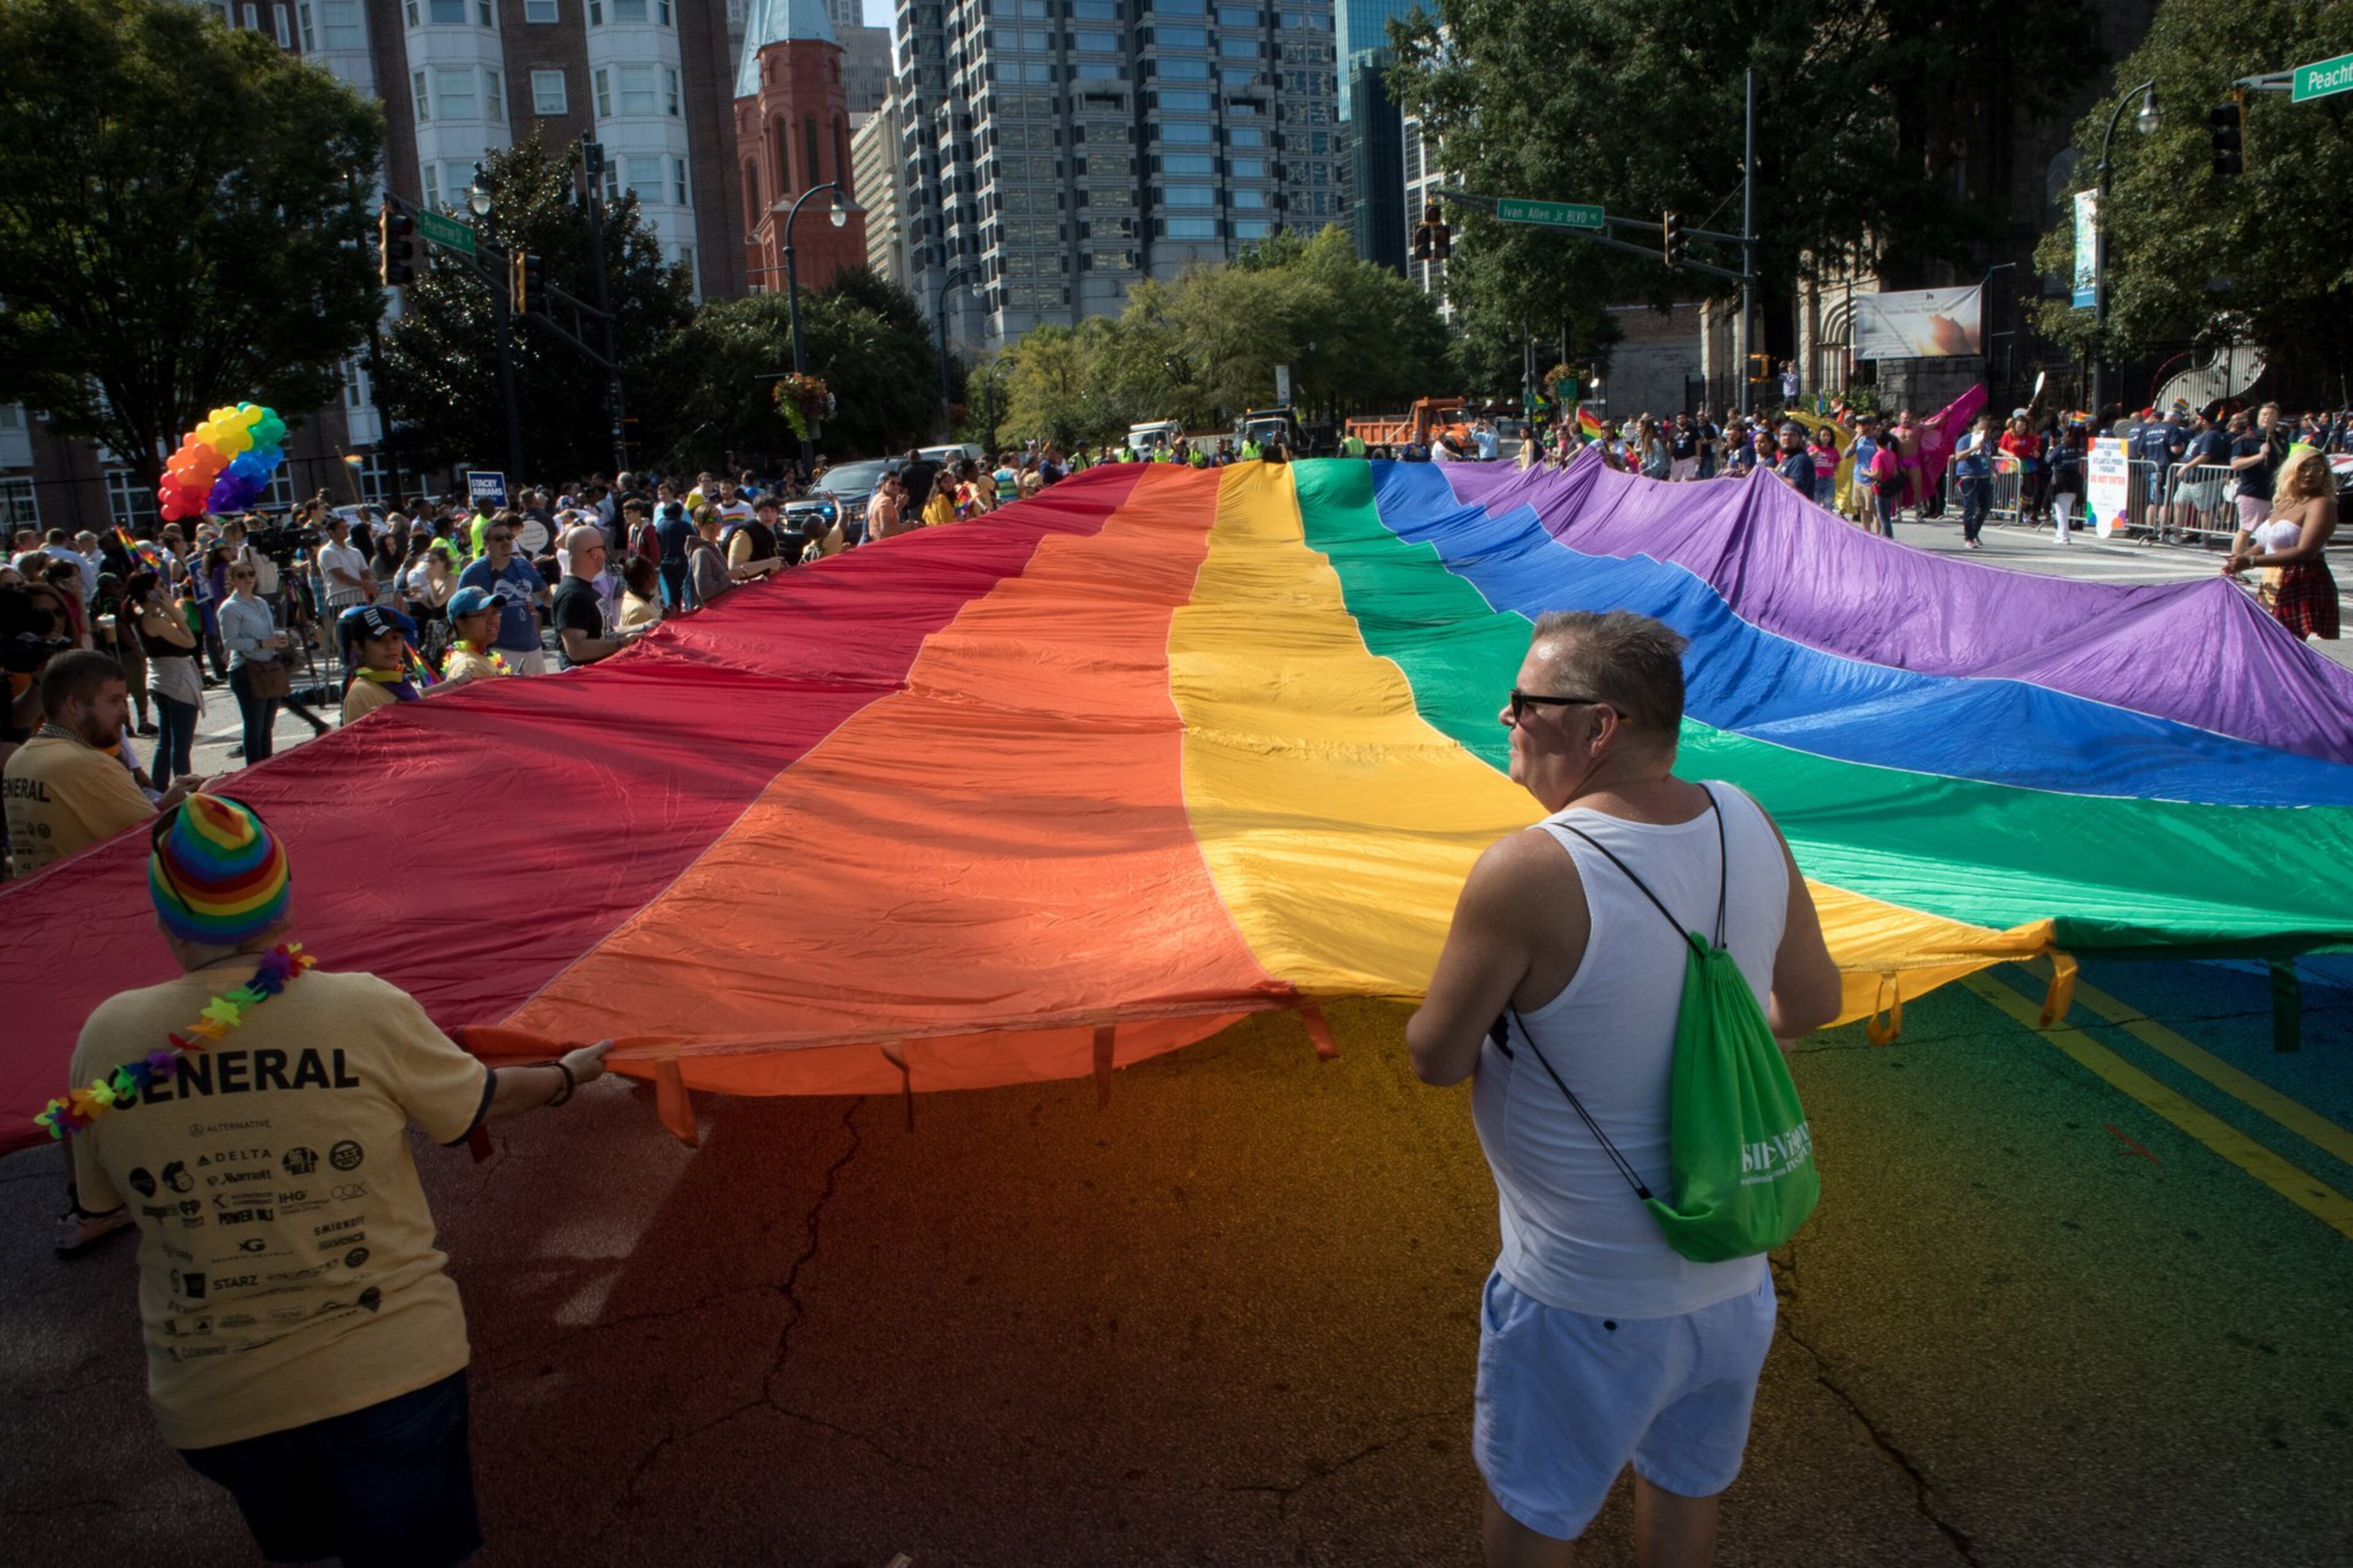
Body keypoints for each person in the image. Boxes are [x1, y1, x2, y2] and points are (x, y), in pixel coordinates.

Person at [55, 790, 610, 1566]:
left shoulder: (107, 1034)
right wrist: (566, 1076)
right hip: (390, 1372)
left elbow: (100, 1199)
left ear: (163, 916)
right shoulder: (361, 1009)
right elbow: (480, 1099)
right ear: (283, 904)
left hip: (217, 1399)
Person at [1404, 610, 1840, 1568]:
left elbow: (1436, 1057)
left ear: (1598, 726)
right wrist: (1685, 1050)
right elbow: (1812, 998)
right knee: (1685, 1493)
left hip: (1582, 1296)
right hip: (1732, 1278)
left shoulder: (1529, 869)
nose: (1504, 714)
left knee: (1536, 1514)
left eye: (1526, 702)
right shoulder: (1745, 816)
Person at [4, 646, 203, 874]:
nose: (125, 712)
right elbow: (156, 839)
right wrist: (202, 802)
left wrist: (164, 803)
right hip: (87, 898)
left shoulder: (19, 758)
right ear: (74, 705)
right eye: (114, 701)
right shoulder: (86, 763)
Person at [2226, 447, 2339, 640]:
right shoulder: (2285, 502)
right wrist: (2240, 559)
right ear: (2291, 470)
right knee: (2269, 643)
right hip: (2272, 579)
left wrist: (2251, 561)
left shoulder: (2322, 504)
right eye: (2303, 468)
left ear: (2325, 475)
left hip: (2303, 580)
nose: (2309, 474)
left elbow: (2306, 552)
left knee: (2290, 649)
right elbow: (2264, 544)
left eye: (2317, 469)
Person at [125, 569, 204, 781]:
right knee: (180, 745)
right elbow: (190, 641)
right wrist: (172, 610)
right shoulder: (151, 620)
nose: (164, 588)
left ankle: (158, 790)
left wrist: (170, 610)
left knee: (167, 742)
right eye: (160, 586)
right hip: (175, 684)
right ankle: (184, 788)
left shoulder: (147, 617)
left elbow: (180, 623)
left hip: (163, 682)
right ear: (150, 593)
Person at [219, 556, 294, 763]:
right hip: (247, 669)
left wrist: (280, 637)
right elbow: (231, 642)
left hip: (269, 666)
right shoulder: (230, 608)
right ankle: (254, 769)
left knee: (267, 727)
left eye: (251, 574)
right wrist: (262, 643)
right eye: (241, 575)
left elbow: (270, 631)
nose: (248, 579)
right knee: (255, 726)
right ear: (232, 579)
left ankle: (267, 765)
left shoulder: (260, 602)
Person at [455, 515, 548, 675]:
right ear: (486, 544)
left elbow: (546, 597)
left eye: (509, 537)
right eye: (498, 539)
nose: (506, 542)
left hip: (534, 650)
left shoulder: (524, 565)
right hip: (499, 652)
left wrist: (560, 589)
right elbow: (460, 615)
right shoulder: (474, 573)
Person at [552, 525, 645, 667]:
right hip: (586, 679)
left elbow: (604, 631)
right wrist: (621, 644)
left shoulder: (586, 588)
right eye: (603, 548)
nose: (605, 553)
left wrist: (644, 628)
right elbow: (576, 649)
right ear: (594, 553)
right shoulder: (573, 595)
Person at [338, 604, 423, 722]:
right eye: (379, 640)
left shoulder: (396, 680)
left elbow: (420, 697)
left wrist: (455, 683)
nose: (391, 646)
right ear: (359, 647)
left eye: (395, 638)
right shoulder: (362, 693)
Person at [438, 586, 511, 684]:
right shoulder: (468, 666)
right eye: (482, 615)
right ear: (461, 624)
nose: (493, 620)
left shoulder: (481, 655)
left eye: (494, 612)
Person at [1952, 412, 1998, 550]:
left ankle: (1975, 533)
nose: (1983, 433)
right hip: (1969, 477)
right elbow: (1958, 457)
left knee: (1986, 507)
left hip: (1984, 477)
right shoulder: (1965, 440)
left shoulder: (1988, 441)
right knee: (1970, 508)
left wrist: (1993, 470)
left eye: (1987, 430)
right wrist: (1973, 448)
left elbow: (1987, 457)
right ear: (1974, 429)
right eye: (1981, 429)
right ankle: (1969, 537)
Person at [316, 515, 372, 618]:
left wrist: (369, 583)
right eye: (342, 528)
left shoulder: (355, 551)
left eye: (346, 527)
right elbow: (341, 576)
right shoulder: (327, 552)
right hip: (340, 602)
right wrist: (363, 584)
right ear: (331, 532)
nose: (346, 530)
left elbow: (365, 572)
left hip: (360, 598)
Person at [2048, 423, 2088, 545]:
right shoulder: (2080, 449)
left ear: (2067, 434)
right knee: (2066, 509)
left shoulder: (2061, 448)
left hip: (2061, 479)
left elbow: (2048, 460)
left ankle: (2064, 536)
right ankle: (2061, 534)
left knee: (2061, 510)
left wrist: (2051, 448)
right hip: (2075, 480)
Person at [617, 555, 664, 632]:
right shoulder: (639, 611)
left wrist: (664, 619)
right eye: (655, 572)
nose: (657, 576)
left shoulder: (636, 599)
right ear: (649, 578)